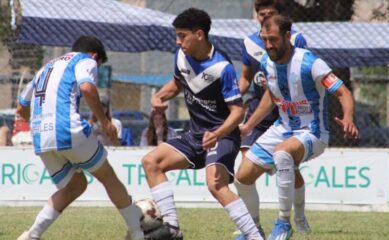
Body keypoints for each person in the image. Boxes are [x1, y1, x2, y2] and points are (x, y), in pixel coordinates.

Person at [141, 8, 263, 240]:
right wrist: (160, 97)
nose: (178, 41)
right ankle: (173, 230)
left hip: (223, 136)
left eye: (182, 35)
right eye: (176, 35)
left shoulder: (222, 68)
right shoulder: (181, 57)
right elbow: (178, 83)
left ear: (199, 34)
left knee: (216, 185)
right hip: (195, 135)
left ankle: (255, 237)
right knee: (151, 162)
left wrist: (217, 133)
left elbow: (237, 112)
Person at [236, 15, 358, 240]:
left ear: (287, 36)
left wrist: (348, 116)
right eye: (264, 40)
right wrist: (248, 126)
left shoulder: (311, 63)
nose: (269, 45)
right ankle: (253, 230)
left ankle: (283, 223)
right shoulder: (266, 63)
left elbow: (343, 93)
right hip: (282, 128)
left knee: (283, 153)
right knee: (242, 177)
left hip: (313, 132)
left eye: (273, 39)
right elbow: (271, 97)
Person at [16, 35, 144, 240]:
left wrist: (39, 121)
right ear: (95, 55)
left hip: (41, 136)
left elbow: (22, 106)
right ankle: (137, 232)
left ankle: (30, 236)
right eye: (99, 65)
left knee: (75, 186)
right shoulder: (85, 60)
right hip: (67, 129)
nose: (96, 68)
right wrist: (105, 123)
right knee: (108, 176)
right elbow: (86, 87)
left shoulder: (46, 67)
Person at [234, 1, 308, 239]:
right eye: (260, 14)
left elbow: (301, 72)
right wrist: (232, 97)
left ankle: (296, 216)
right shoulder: (249, 42)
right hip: (258, 108)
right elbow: (246, 77)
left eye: (270, 14)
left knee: (289, 168)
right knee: (245, 169)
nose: (264, 17)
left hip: (285, 112)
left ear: (280, 15)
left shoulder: (296, 40)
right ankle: (252, 227)